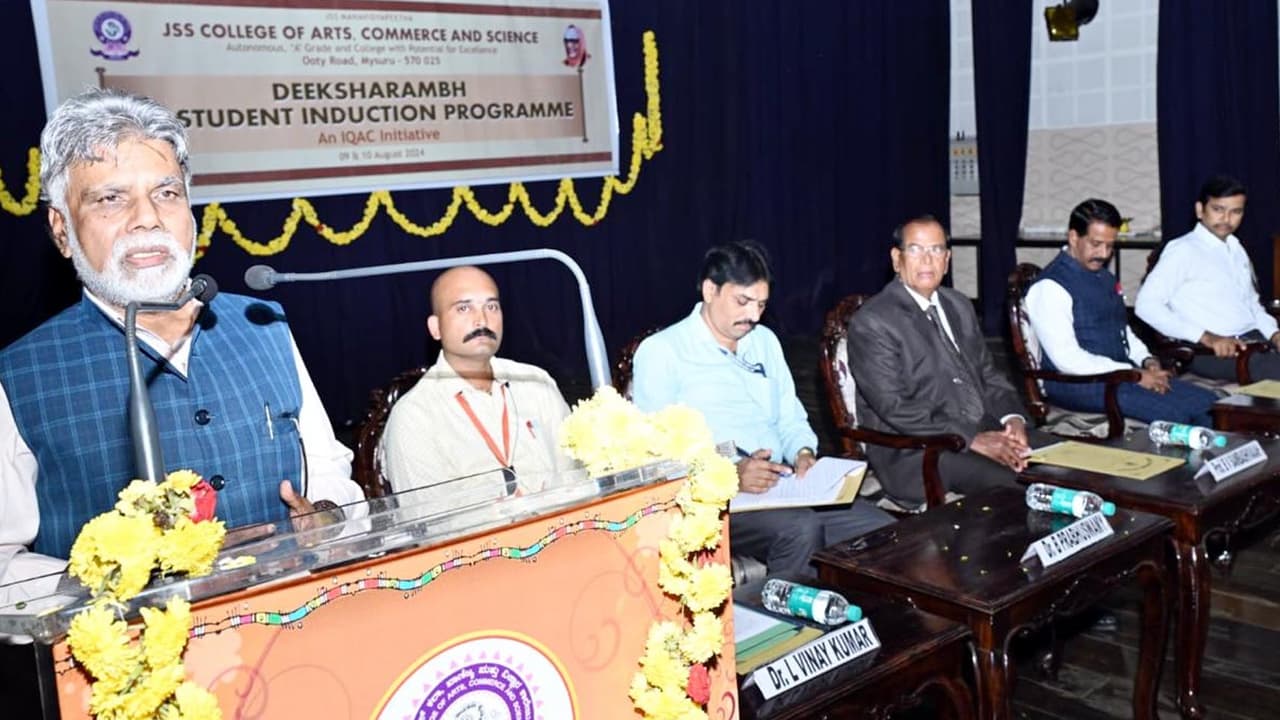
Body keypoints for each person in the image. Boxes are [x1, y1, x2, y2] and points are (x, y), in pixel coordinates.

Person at [0, 88, 364, 593]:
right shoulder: (18, 375)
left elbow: (328, 471)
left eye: (167, 193)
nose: (147, 218)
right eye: (110, 198)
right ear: (61, 230)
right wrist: (104, 580)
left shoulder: (263, 323)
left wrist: (325, 516)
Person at [631, 242, 894, 579]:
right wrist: (732, 475)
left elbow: (790, 416)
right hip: (713, 502)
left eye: (761, 304)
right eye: (742, 302)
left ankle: (850, 609)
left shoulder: (764, 341)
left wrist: (802, 452)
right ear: (710, 291)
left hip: (781, 487)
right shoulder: (663, 352)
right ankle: (786, 614)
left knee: (882, 529)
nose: (753, 316)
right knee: (800, 529)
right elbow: (655, 456)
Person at [848, 215, 1045, 507]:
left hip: (980, 428)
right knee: (1026, 488)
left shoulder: (958, 305)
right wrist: (972, 439)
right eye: (916, 249)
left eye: (936, 249)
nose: (927, 260)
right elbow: (895, 407)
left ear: (947, 259)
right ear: (897, 259)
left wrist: (1012, 419)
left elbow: (988, 375)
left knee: (1073, 464)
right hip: (918, 450)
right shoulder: (874, 321)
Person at [380, 266, 575, 502]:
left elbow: (575, 479)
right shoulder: (414, 417)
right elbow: (427, 517)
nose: (482, 320)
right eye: (463, 308)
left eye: (491, 307)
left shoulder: (536, 382)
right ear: (436, 328)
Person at [1026, 199, 1218, 426]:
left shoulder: (1104, 277)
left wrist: (1146, 360)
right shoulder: (1050, 287)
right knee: (1177, 416)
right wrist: (1134, 374)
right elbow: (1068, 360)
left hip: (1120, 377)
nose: (1103, 254)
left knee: (1211, 405)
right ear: (1073, 237)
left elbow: (1122, 330)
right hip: (1079, 384)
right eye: (1096, 244)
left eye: (1110, 246)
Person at [1135, 174, 1280, 381]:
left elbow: (1252, 305)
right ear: (1200, 210)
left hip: (1252, 342)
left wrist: (1274, 334)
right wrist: (1206, 337)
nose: (1226, 219)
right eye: (1218, 209)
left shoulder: (1236, 248)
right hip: (1209, 351)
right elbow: (1146, 305)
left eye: (1236, 211)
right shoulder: (1183, 250)